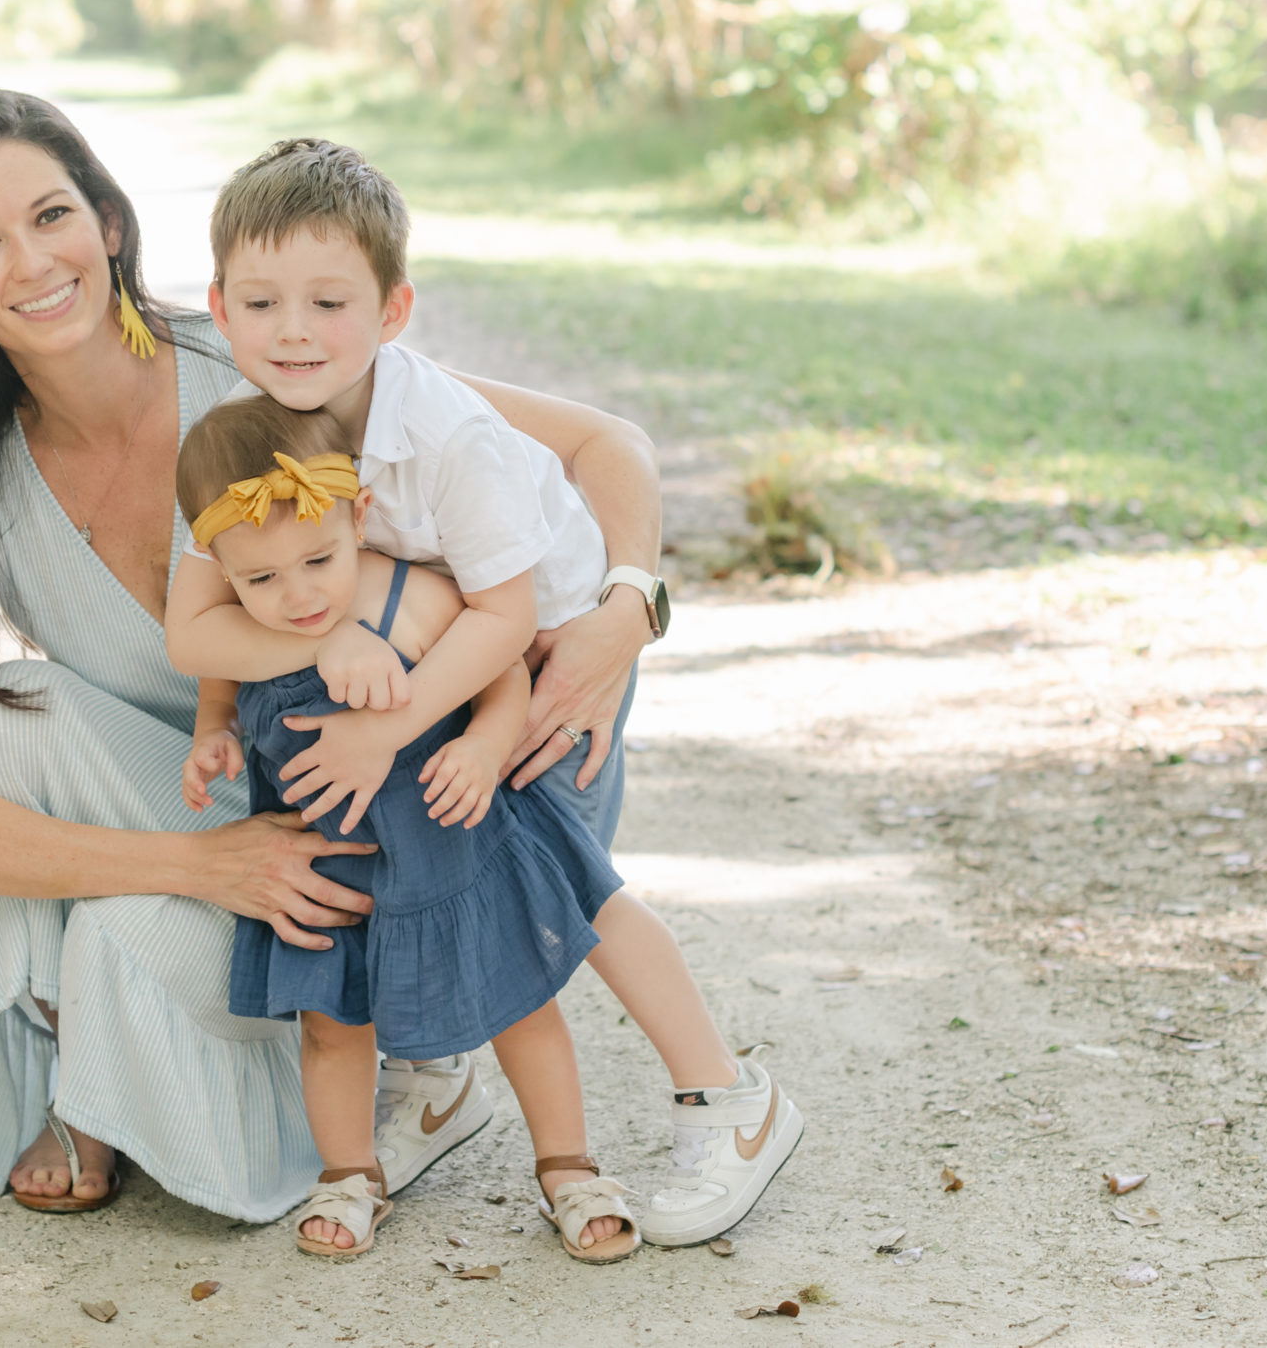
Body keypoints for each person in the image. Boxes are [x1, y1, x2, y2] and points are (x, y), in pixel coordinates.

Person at [0, 89, 678, 1224]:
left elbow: (598, 443)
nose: (31, 261)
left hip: (423, 783)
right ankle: (138, 1059)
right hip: (240, 819)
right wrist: (207, 866)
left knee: (132, 914)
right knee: (9, 719)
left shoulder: (262, 365)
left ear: (110, 223)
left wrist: (627, 607)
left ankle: (378, 1045)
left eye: (50, 214)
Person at [166, 137, 799, 1249]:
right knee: (418, 862)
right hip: (429, 661)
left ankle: (728, 1095)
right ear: (219, 307)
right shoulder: (240, 435)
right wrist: (334, 667)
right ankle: (440, 1083)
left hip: (552, 654)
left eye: (328, 299)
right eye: (262, 302)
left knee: (561, 888)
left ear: (393, 308)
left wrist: (391, 717)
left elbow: (506, 614)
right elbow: (198, 621)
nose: (295, 328)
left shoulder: (442, 428)